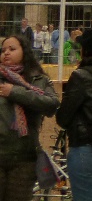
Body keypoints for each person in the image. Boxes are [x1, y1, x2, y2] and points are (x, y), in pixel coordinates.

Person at [0, 34, 58, 200]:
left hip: (24, 158)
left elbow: (51, 105)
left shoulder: (38, 79)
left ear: (24, 52)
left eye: (12, 49)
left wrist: (15, 92)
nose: (6, 53)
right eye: (3, 50)